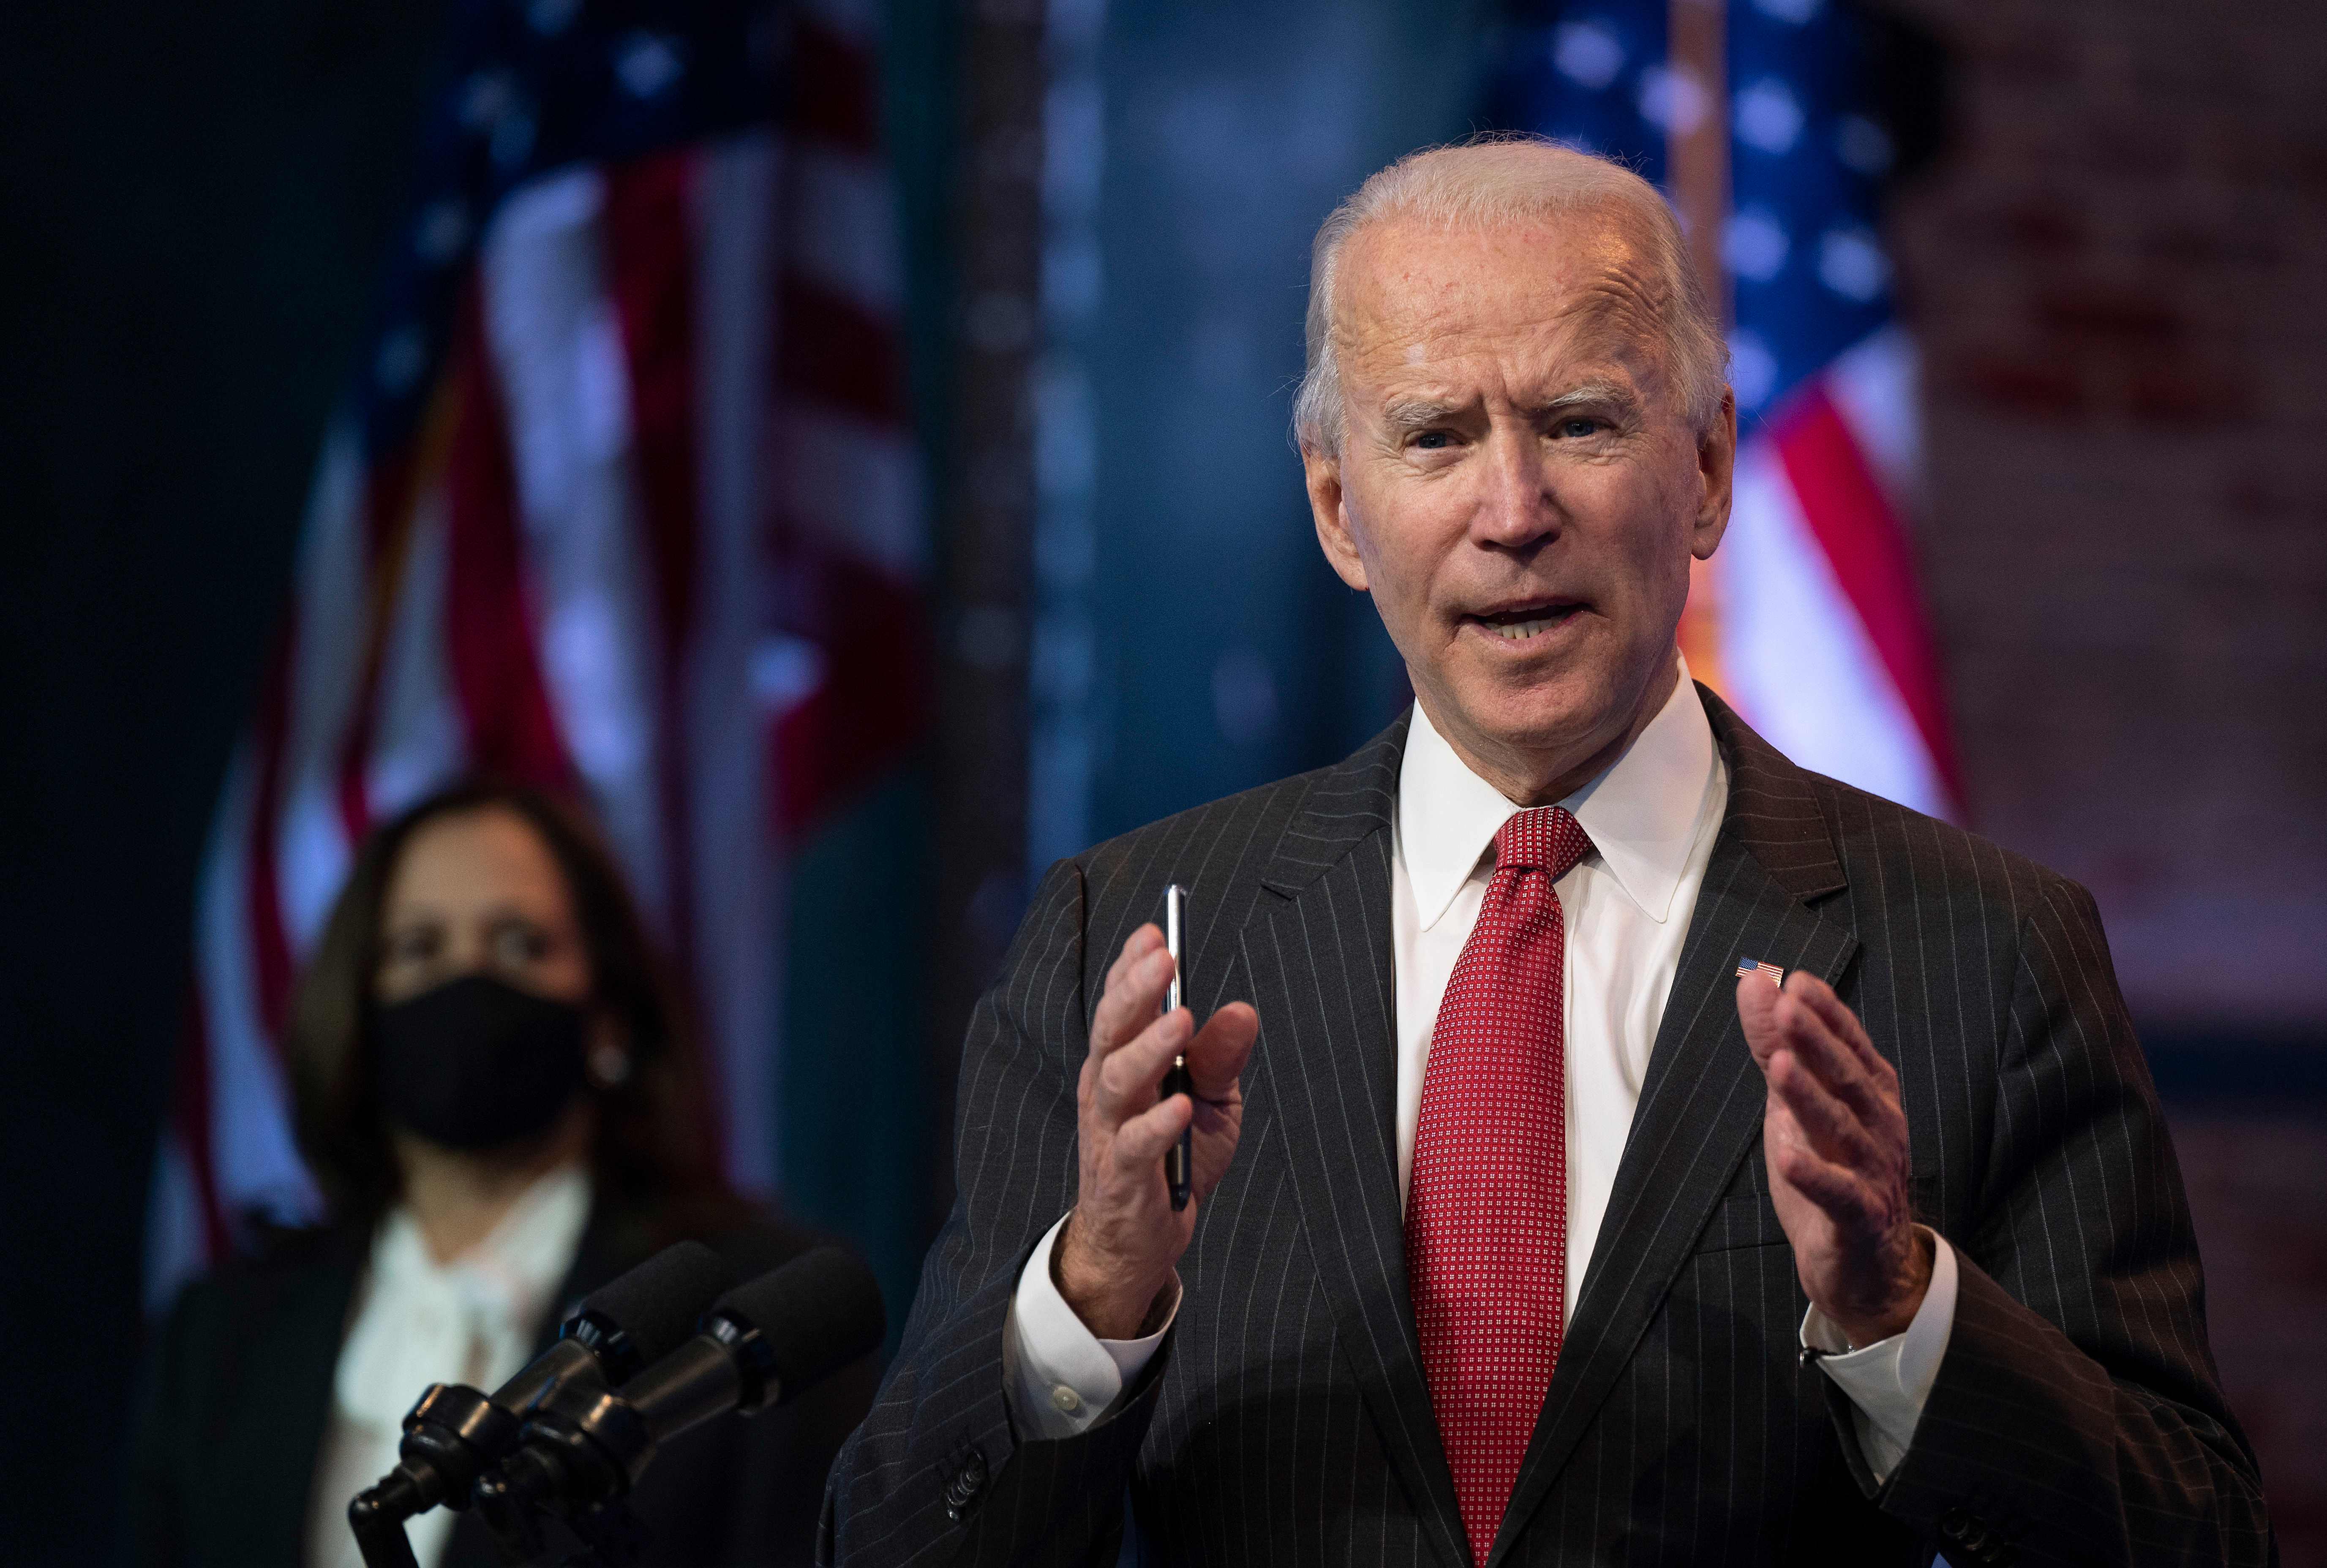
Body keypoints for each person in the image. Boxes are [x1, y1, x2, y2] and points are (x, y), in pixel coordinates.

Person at [821, 138, 2271, 1567]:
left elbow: (2191, 1535)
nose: (1511, 512)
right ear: (1339, 510)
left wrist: (1903, 1315)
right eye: (1434, 437)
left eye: (1578, 422)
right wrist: (1088, 1302)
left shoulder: (1983, 949)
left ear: (1703, 468)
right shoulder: (1127, 938)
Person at [127, 781, 875, 1568]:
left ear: (608, 1018)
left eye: (519, 944)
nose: (468, 979)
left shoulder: (752, 1311)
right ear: (359, 1010)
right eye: (420, 949)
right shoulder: (220, 1340)